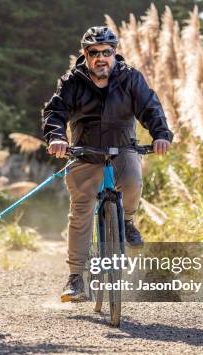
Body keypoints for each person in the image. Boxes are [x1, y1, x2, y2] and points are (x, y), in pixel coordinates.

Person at [42, 26, 173, 302]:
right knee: (80, 212)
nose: (101, 58)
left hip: (123, 148)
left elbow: (150, 107)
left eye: (106, 52)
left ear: (114, 53)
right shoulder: (72, 82)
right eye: (94, 53)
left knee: (133, 182)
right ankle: (76, 277)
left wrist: (161, 134)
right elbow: (55, 112)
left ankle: (125, 220)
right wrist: (56, 137)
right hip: (84, 152)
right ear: (85, 55)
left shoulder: (130, 78)